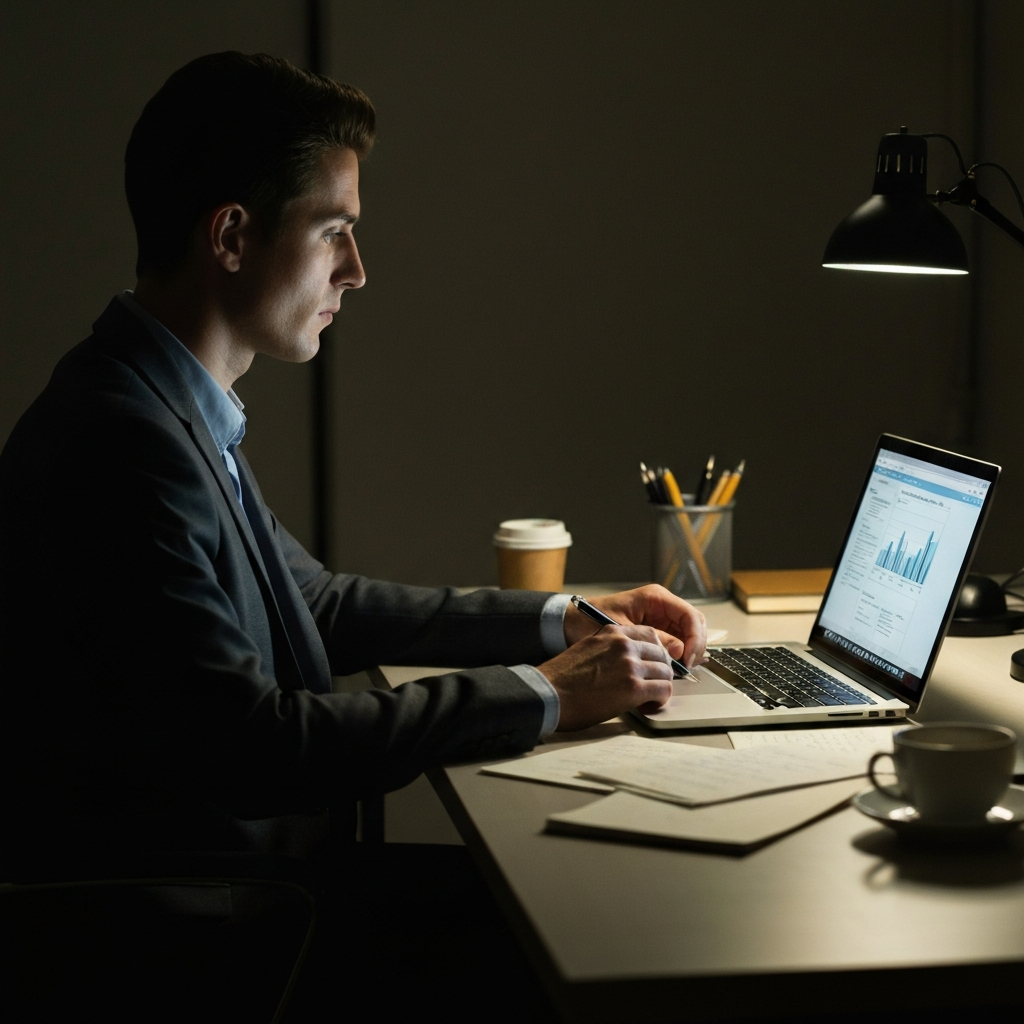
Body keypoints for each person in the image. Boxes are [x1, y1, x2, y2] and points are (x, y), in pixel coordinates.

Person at [0, 51, 705, 1019]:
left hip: (249, 894)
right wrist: (544, 694)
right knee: (603, 941)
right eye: (334, 231)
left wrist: (566, 618)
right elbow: (254, 746)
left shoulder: (154, 403)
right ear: (234, 236)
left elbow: (317, 604)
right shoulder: (125, 440)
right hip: (212, 930)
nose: (357, 271)